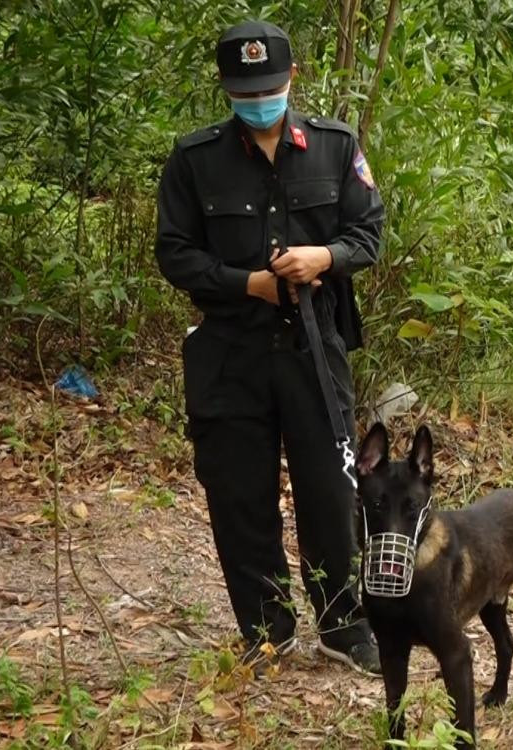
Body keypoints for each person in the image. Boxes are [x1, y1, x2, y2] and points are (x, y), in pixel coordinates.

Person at [155, 20, 384, 673]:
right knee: (238, 493)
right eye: (246, 89)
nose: (260, 99)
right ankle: (264, 627)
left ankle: (344, 626)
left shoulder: (336, 148)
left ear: (292, 80)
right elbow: (174, 252)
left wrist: (324, 256)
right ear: (227, 88)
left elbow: (368, 234)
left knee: (332, 492)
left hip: (314, 347)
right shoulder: (194, 161)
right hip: (230, 352)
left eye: (271, 86)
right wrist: (245, 283)